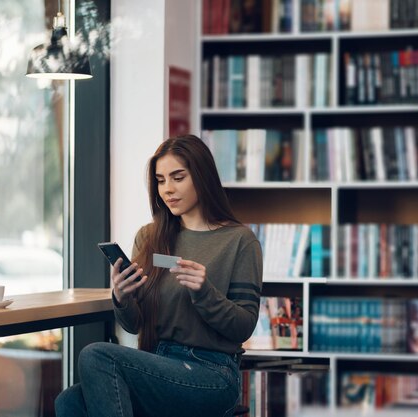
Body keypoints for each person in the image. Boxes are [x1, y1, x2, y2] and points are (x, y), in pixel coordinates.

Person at [55, 135, 263, 417]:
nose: (168, 189)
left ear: (202, 177)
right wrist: (122, 297)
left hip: (212, 372)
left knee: (96, 355)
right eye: (161, 180)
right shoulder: (149, 237)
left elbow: (243, 327)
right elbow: (134, 325)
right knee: (69, 401)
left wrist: (205, 292)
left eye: (178, 177)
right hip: (155, 363)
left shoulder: (239, 241)